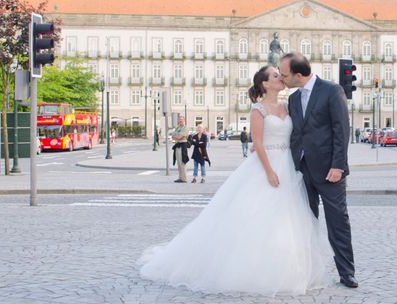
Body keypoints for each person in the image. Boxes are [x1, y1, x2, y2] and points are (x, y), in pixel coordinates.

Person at [138, 65, 330, 296]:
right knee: (255, 216)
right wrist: (269, 171)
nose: (281, 78)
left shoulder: (288, 106)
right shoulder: (258, 110)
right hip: (266, 165)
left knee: (286, 219)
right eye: (276, 76)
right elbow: (257, 142)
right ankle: (252, 269)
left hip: (287, 164)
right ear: (266, 84)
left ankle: (287, 268)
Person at [279, 52, 357, 289]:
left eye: (284, 75)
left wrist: (338, 166)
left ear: (299, 74)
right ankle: (308, 271)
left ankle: (347, 273)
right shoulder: (292, 99)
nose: (282, 79)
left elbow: (342, 130)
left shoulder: (332, 91)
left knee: (338, 221)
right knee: (305, 223)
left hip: (329, 170)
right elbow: (296, 134)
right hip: (301, 171)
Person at [171, 116, 189, 183]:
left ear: (184, 120)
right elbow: (172, 136)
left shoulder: (185, 128)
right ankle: (180, 177)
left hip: (182, 145)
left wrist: (177, 137)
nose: (180, 121)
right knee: (178, 163)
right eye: (179, 120)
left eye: (182, 120)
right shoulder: (178, 128)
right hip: (177, 145)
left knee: (182, 162)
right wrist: (177, 137)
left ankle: (184, 178)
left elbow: (181, 137)